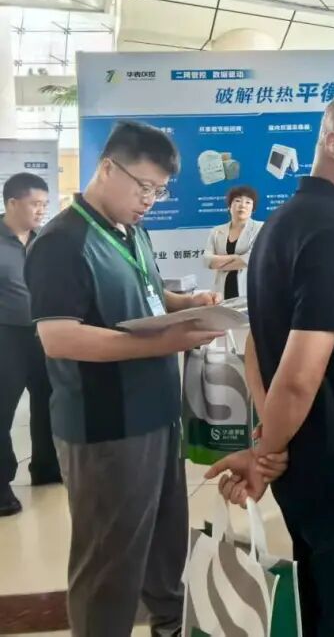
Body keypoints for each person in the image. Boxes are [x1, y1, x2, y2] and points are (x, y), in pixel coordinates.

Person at [208, 95, 334, 636]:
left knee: (324, 609)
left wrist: (270, 441)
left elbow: (256, 345)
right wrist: (264, 452)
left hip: (312, 465)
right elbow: (298, 376)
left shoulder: (282, 223)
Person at [24, 121, 228, 637]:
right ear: (107, 167)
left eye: (159, 191)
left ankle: (169, 623)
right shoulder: (61, 242)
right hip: (105, 429)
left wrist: (189, 304)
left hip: (156, 414)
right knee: (109, 561)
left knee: (164, 539)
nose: (149, 201)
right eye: (144, 187)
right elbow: (59, 338)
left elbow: (149, 295)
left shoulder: (132, 232)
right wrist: (167, 342)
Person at [0, 172, 60, 516]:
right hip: (6, 335)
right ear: (12, 203)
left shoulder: (44, 240)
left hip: (43, 332)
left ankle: (47, 468)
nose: (41, 210)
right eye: (35, 204)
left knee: (49, 402)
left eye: (44, 204)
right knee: (2, 410)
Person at [203, 184, 262, 300]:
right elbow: (207, 260)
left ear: (253, 208)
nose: (242, 205)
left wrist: (219, 264)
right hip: (221, 290)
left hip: (249, 290)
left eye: (248, 202)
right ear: (229, 206)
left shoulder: (260, 228)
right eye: (238, 201)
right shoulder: (216, 231)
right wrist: (235, 257)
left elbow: (251, 259)